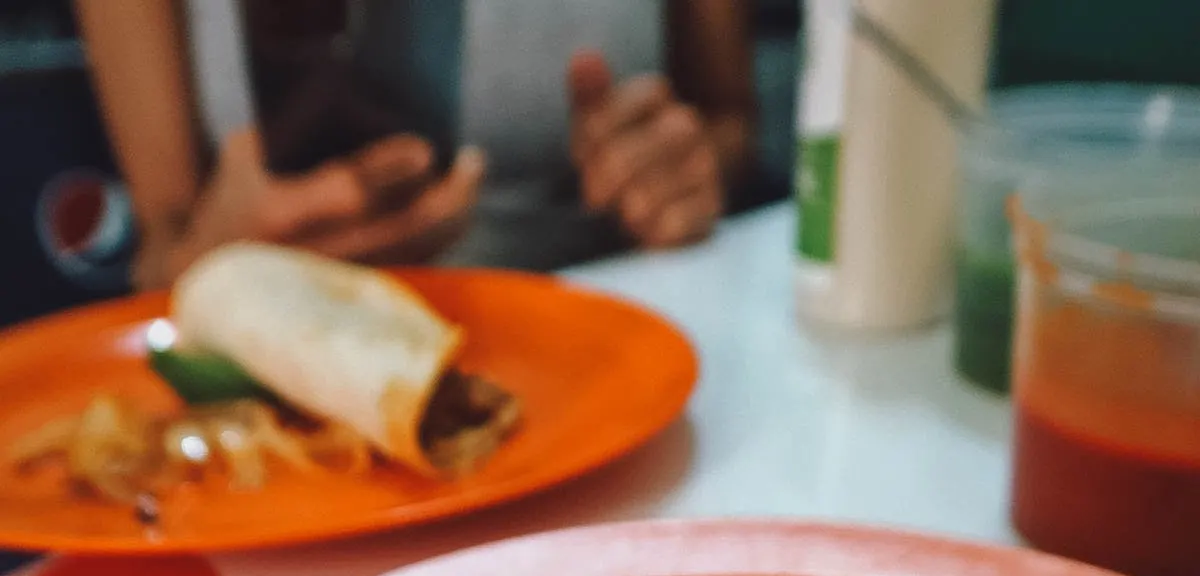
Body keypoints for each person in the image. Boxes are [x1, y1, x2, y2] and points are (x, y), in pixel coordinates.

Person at [75, 0, 756, 285]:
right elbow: (159, 257)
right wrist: (212, 263)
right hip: (279, 425)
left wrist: (679, 172)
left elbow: (730, 122)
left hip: (609, 375)